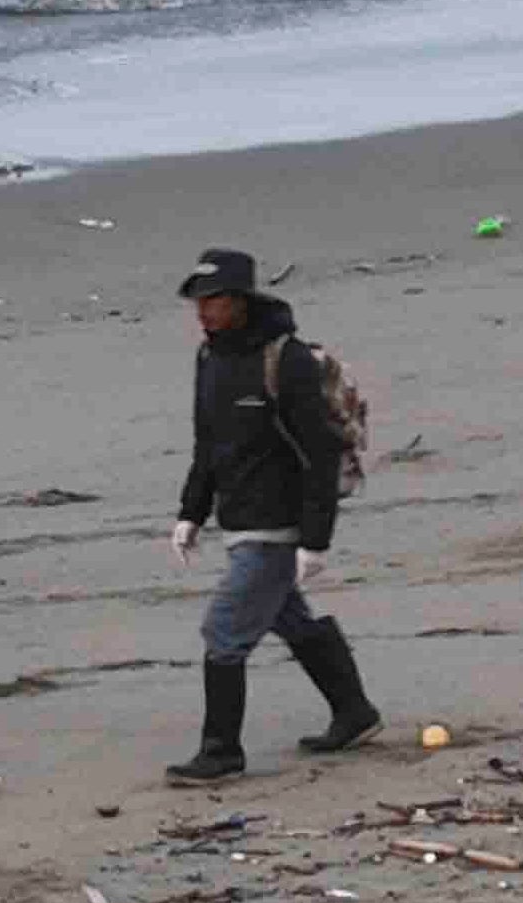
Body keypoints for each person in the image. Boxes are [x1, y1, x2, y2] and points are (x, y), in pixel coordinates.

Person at [163, 246, 381, 783]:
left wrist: (315, 540)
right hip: (238, 516)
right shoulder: (209, 358)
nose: (202, 311)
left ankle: (221, 752)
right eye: (197, 300)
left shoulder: (287, 361)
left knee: (224, 632)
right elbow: (207, 442)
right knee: (288, 615)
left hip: (277, 524)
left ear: (241, 299)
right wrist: (191, 512)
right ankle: (354, 712)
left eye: (212, 300)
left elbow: (319, 453)